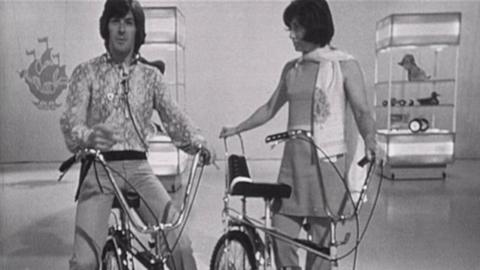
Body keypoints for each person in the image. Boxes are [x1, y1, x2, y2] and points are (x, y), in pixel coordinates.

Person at [219, 0, 376, 269]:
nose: (291, 34)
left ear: (314, 27)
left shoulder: (344, 66)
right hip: (293, 164)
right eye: (289, 28)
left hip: (326, 165)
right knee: (280, 234)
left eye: (296, 28)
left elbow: (362, 111)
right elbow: (270, 108)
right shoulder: (292, 69)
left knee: (320, 245)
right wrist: (237, 128)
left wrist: (371, 140)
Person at [59, 0, 215, 269]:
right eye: (115, 21)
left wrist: (198, 143)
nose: (121, 29)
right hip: (99, 170)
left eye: (129, 22)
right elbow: (70, 121)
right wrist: (87, 136)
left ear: (138, 30)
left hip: (139, 169)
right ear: (106, 27)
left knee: (181, 245)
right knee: (84, 261)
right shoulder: (87, 72)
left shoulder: (151, 76)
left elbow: (174, 118)